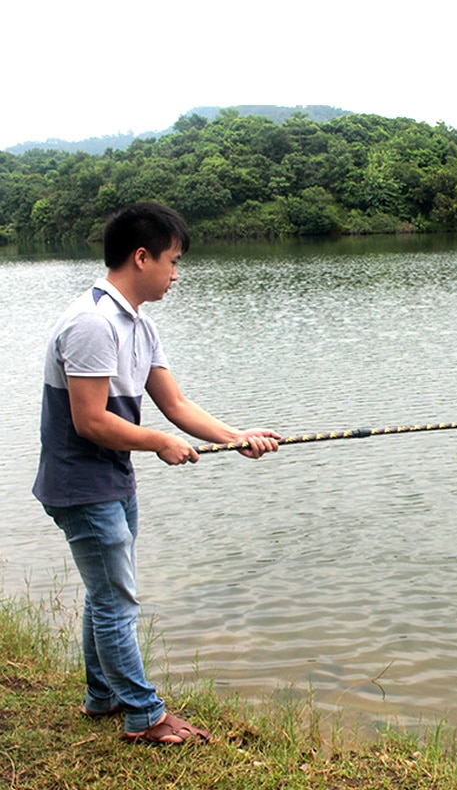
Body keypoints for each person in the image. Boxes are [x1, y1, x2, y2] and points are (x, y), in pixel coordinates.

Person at [32, 202, 280, 744]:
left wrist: (236, 438)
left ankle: (103, 697)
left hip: (111, 480)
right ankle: (144, 715)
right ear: (141, 257)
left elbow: (176, 402)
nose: (175, 274)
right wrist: (161, 445)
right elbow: (91, 421)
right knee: (117, 598)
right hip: (81, 484)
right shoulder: (92, 323)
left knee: (106, 594)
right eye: (171, 261)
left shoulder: (138, 325)